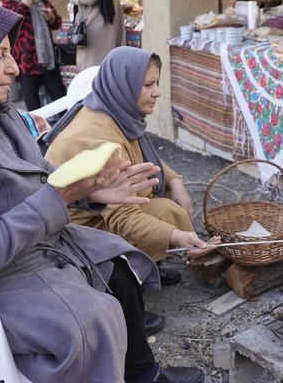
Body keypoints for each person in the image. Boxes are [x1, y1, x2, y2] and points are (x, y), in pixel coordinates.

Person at [0, 1, 205, 383]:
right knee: (88, 321)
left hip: (15, 257)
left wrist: (91, 191)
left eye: (10, 54)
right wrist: (59, 198)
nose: (15, 68)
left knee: (118, 265)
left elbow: (39, 172)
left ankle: (141, 373)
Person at [45, 47, 220, 287]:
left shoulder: (112, 109)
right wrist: (179, 237)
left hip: (100, 207)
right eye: (148, 85)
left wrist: (176, 180)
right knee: (167, 211)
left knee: (164, 187)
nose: (157, 92)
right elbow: (123, 218)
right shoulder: (101, 139)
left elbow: (141, 157)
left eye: (157, 83)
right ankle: (129, 287)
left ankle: (151, 262)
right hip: (77, 227)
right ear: (123, 85)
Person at [2, 0, 67, 112]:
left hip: (47, 59)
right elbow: (8, 24)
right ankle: (38, 132)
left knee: (59, 97)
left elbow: (57, 23)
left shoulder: (41, 0)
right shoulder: (9, 3)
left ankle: (66, 126)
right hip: (26, 61)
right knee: (32, 101)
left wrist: (51, 19)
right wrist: (23, 6)